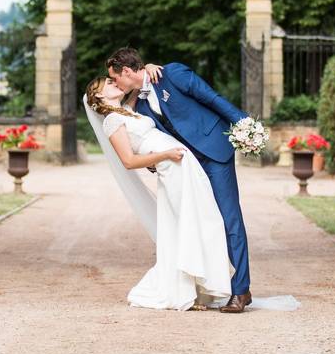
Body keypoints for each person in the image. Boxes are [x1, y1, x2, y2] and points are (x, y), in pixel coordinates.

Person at [106, 47, 253, 313]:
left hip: (215, 153)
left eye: (115, 79)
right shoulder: (138, 106)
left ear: (126, 71)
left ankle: (241, 290)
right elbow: (150, 138)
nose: (115, 84)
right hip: (187, 167)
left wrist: (244, 124)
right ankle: (220, 284)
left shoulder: (172, 73)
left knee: (230, 219)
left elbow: (212, 98)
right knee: (207, 221)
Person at [84, 76, 232, 311]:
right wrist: (166, 156)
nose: (116, 84)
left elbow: (137, 82)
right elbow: (129, 161)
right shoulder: (111, 121)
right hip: (171, 166)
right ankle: (182, 292)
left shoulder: (125, 111)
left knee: (201, 218)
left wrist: (149, 67)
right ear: (99, 96)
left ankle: (194, 288)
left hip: (181, 163)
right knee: (187, 223)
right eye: (110, 84)